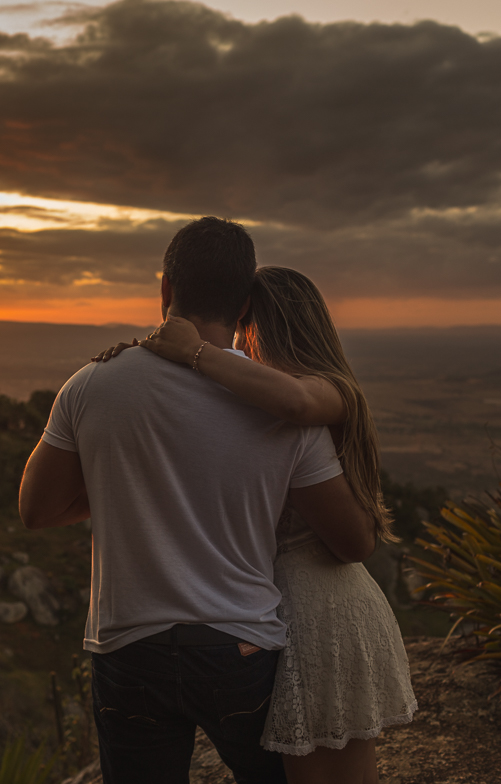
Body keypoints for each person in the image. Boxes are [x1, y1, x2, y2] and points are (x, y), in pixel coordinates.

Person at [19, 219, 376, 784]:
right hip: (240, 644)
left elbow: (36, 509)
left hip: (128, 642)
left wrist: (126, 486)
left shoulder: (89, 385)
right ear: (244, 305)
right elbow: (352, 541)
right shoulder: (281, 404)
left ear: (166, 289)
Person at [96, 266, 416, 784]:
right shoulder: (256, 396)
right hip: (268, 609)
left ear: (259, 324)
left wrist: (195, 353)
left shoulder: (325, 392)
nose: (238, 342)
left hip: (319, 609)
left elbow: (296, 407)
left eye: (244, 327)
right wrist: (136, 364)